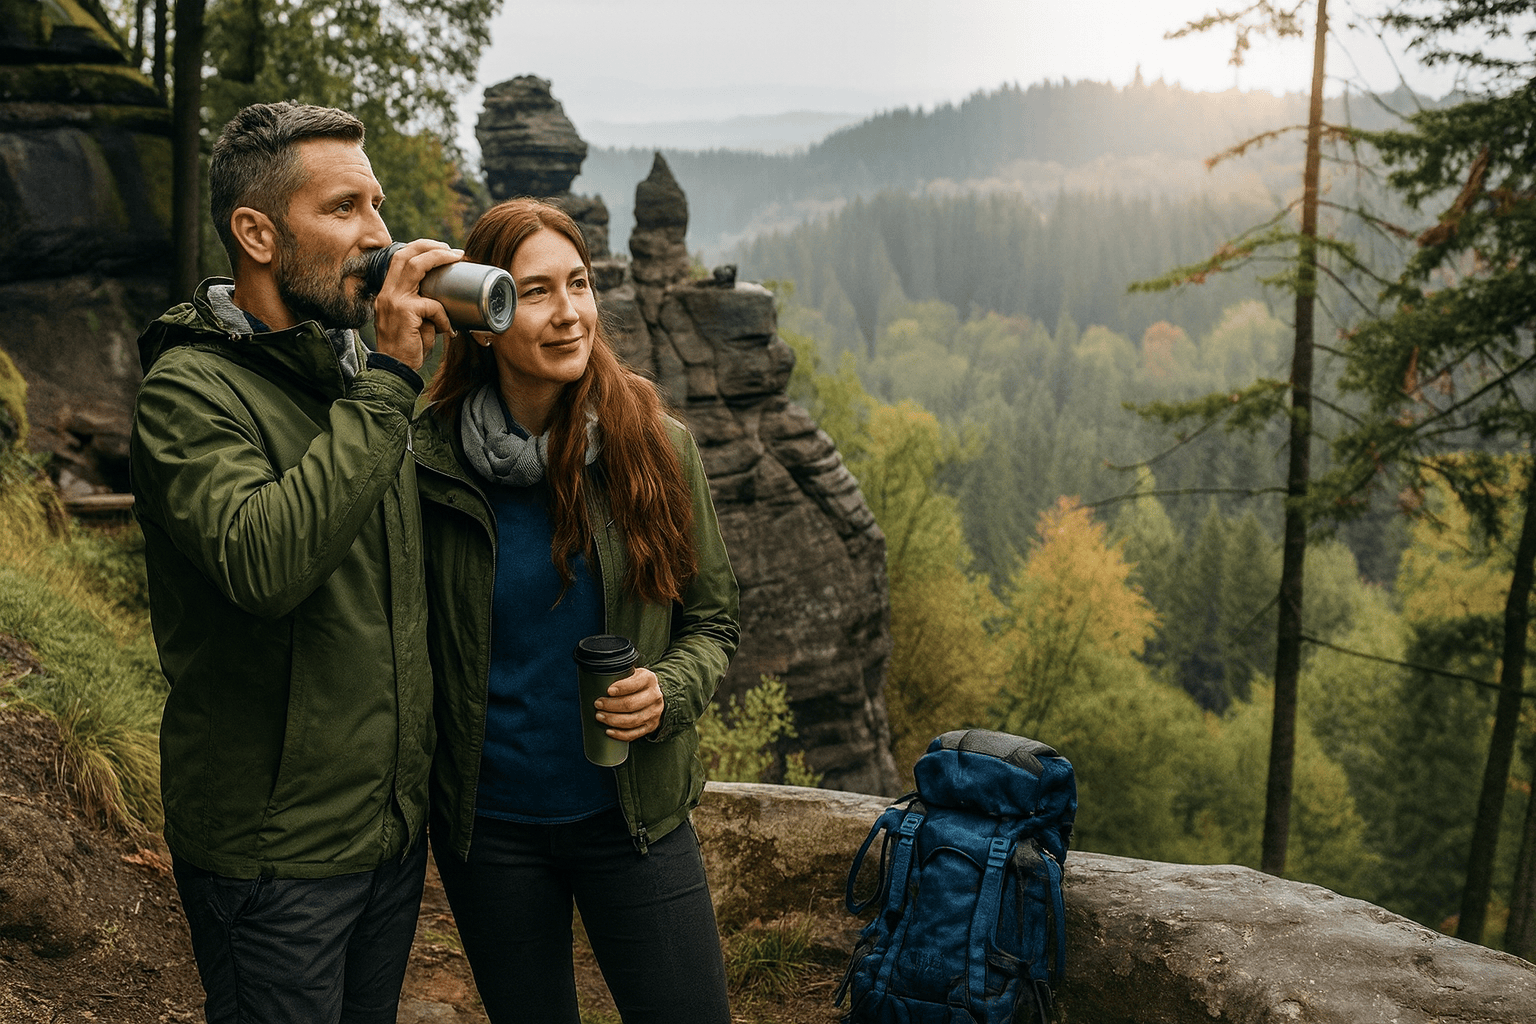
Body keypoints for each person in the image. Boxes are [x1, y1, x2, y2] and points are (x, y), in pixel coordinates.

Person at [129, 100, 462, 1023]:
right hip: (272, 858)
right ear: (257, 233)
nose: (379, 236)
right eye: (345, 208)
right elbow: (267, 563)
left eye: (378, 205)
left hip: (385, 843)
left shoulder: (349, 373)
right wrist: (394, 380)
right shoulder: (188, 393)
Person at [412, 197, 740, 1024]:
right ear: (481, 316)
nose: (569, 315)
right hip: (491, 833)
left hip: (633, 818)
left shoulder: (657, 446)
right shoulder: (426, 461)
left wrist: (666, 689)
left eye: (580, 285)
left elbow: (713, 623)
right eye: (535, 292)